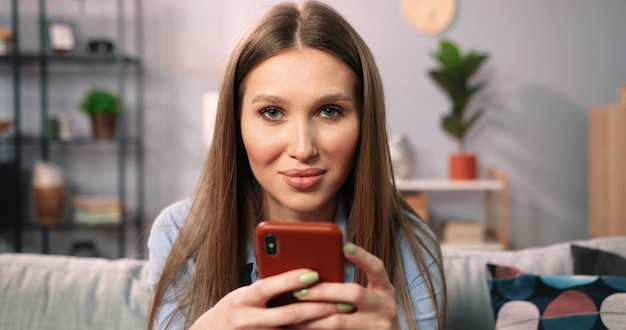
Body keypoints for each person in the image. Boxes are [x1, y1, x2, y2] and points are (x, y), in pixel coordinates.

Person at [147, 1, 446, 329]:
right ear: (236, 124)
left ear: (364, 122)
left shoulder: (412, 246)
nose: (303, 149)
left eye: (329, 111)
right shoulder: (180, 234)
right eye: (272, 112)